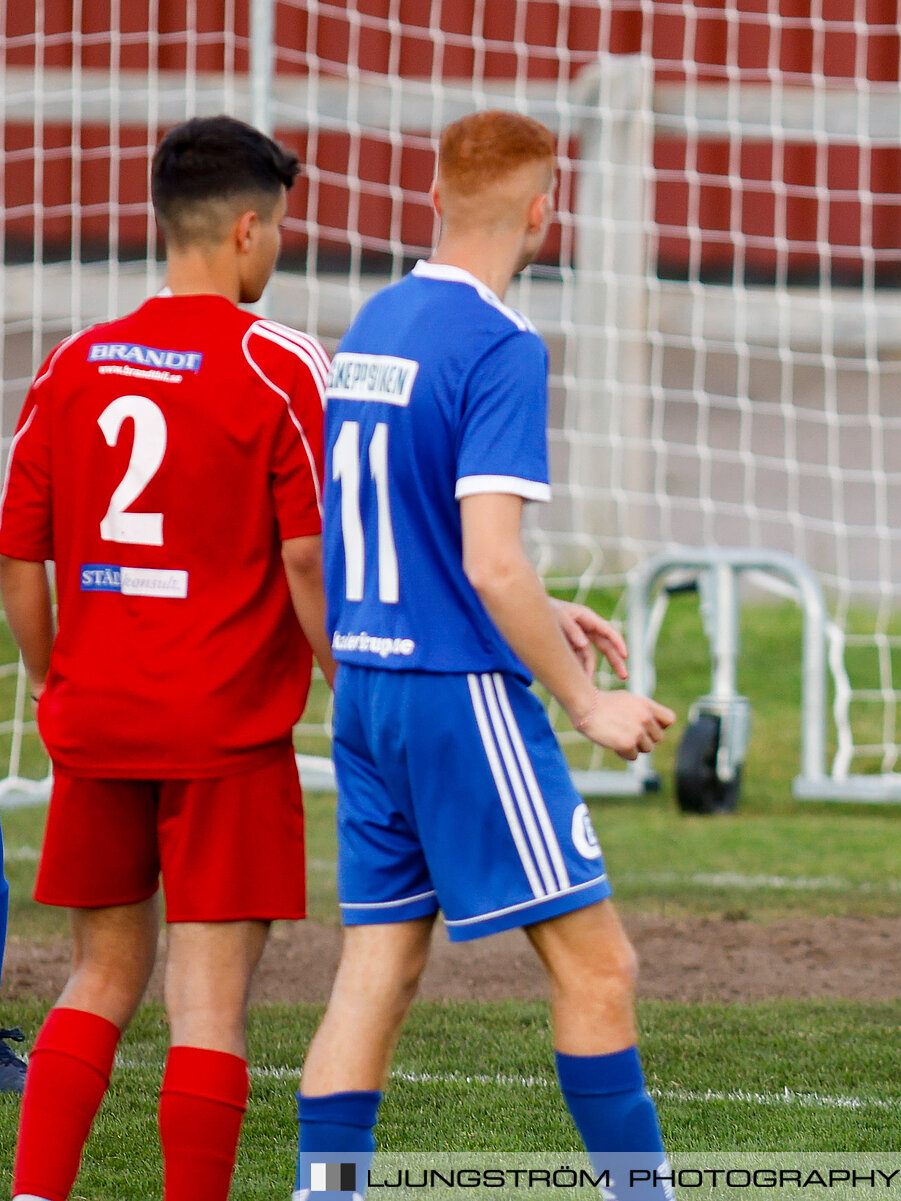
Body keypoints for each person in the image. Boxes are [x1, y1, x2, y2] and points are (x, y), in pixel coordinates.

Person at [292, 110, 677, 1200]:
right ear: (545, 212)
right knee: (598, 965)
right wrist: (584, 699)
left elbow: (399, 525)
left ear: (434, 200)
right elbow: (490, 562)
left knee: (378, 967)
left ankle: (324, 1192)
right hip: (459, 694)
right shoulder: (502, 343)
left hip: (367, 689)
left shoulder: (376, 321)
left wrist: (539, 606)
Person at [0, 116, 332, 1201]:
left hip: (97, 725)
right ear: (245, 230)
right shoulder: (278, 362)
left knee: (98, 973)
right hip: (224, 734)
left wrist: (52, 679)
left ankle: (38, 1193)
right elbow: (305, 560)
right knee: (207, 1006)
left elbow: (19, 562)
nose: (277, 248)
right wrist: (351, 687)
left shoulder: (73, 364)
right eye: (278, 228)